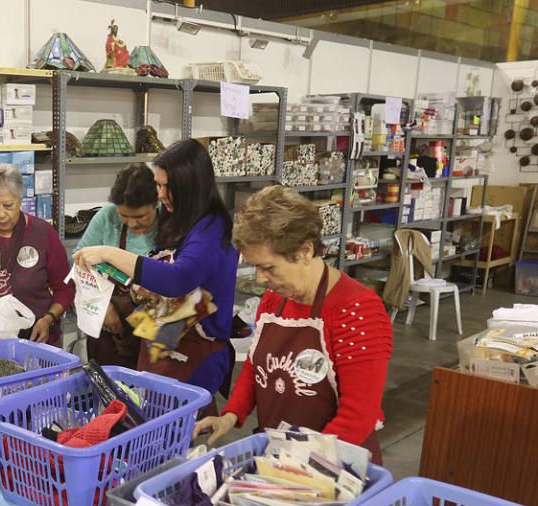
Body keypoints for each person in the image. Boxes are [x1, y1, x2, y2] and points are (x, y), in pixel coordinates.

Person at [194, 185, 392, 464]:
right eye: (255, 267)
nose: (261, 279)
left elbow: (358, 416)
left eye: (268, 268)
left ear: (304, 251)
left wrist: (300, 463)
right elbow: (256, 366)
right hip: (282, 456)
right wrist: (230, 415)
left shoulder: (357, 309)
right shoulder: (275, 300)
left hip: (334, 466)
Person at [73, 139, 239, 414]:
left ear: (187, 186)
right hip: (160, 342)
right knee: (138, 420)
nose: (160, 194)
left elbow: (178, 279)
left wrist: (109, 253)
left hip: (193, 351)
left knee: (177, 434)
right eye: (158, 185)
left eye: (164, 187)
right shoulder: (185, 221)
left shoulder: (209, 228)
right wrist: (140, 296)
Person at [0, 163, 75, 345]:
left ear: (20, 199)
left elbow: (64, 288)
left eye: (8, 205)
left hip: (36, 336)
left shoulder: (43, 233)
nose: (1, 214)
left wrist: (48, 319)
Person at [74, 163, 158, 368]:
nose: (132, 224)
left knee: (149, 388)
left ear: (156, 202)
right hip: (109, 326)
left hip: (154, 327)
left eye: (140, 217)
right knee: (110, 388)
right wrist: (103, 307)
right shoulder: (106, 216)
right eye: (124, 216)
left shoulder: (171, 222)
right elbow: (79, 263)